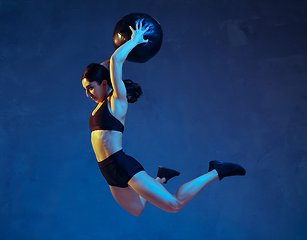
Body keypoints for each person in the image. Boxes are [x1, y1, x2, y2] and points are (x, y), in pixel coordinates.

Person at [81, 21, 246, 216]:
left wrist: (134, 40)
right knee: (137, 209)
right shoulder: (100, 101)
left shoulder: (117, 100)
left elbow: (115, 60)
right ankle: (161, 178)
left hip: (122, 165)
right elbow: (105, 65)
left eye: (90, 88)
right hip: (107, 170)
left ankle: (216, 171)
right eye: (85, 89)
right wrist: (121, 45)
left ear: (104, 83)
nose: (88, 94)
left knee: (174, 205)